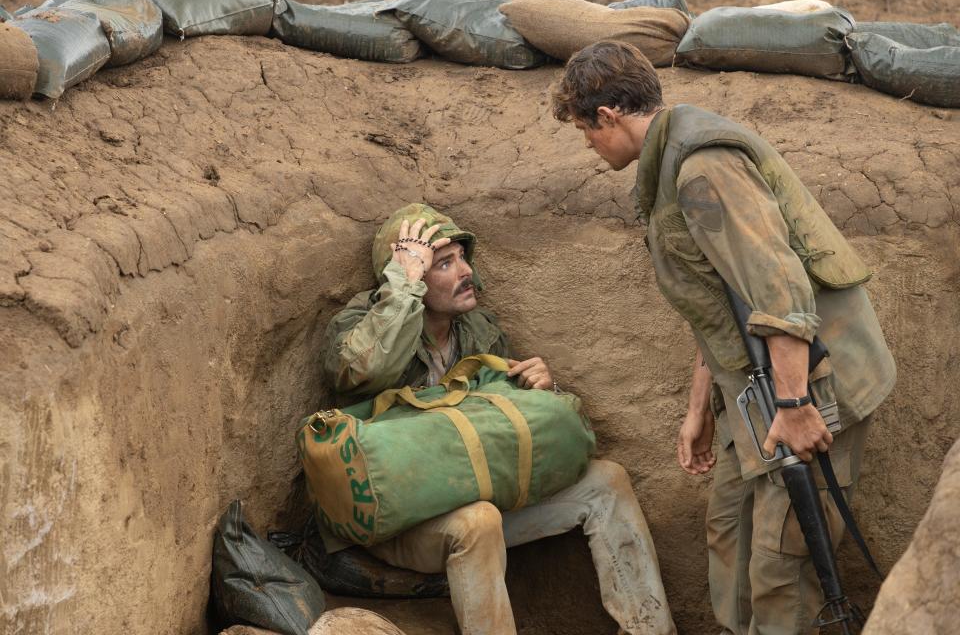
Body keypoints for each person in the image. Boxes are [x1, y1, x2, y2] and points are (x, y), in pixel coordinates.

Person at [551, 41, 896, 635]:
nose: (588, 146)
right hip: (753, 391)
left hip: (810, 386)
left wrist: (793, 406)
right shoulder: (669, 166)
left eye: (586, 131)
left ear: (608, 116)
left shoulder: (702, 167)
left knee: (782, 563)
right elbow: (721, 303)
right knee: (731, 531)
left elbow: (778, 293)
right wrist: (699, 411)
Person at [320, 203, 676, 635]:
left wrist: (539, 392)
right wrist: (404, 285)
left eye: (462, 258)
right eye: (444, 263)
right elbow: (363, 371)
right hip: (398, 521)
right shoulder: (359, 324)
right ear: (406, 272)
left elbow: (501, 428)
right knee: (478, 521)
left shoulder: (477, 330)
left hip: (474, 491)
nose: (465, 271)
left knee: (607, 481)